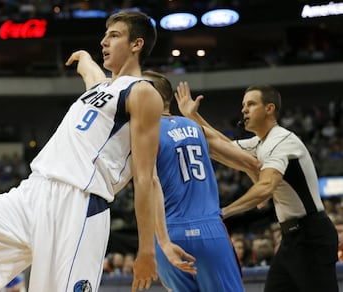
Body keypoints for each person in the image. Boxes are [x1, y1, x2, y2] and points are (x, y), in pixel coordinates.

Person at [0, 10, 182, 292]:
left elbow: (146, 178)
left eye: (114, 35)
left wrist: (147, 249)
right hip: (35, 191)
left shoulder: (143, 92)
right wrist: (85, 58)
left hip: (80, 203)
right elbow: (93, 76)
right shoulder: (101, 88)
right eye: (104, 35)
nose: (104, 42)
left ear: (137, 44)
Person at [68, 51, 261, 291]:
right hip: (210, 230)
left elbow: (98, 87)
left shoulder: (138, 133)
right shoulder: (194, 127)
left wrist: (86, 62)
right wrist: (258, 183)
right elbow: (248, 162)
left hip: (167, 233)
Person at [175, 81, 339, 292]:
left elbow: (265, 187)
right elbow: (225, 147)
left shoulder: (282, 142)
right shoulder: (261, 142)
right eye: (244, 105)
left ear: (269, 108)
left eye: (250, 104)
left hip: (311, 236)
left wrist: (224, 212)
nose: (243, 109)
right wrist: (192, 117)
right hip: (291, 238)